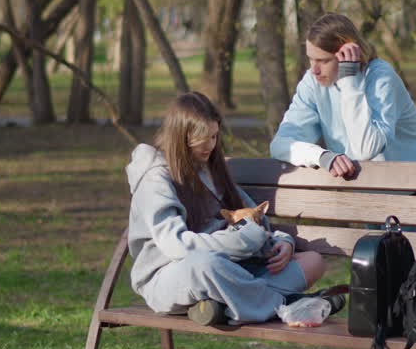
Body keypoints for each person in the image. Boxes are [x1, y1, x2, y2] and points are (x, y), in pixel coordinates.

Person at [270, 12, 416, 349]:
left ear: (347, 54)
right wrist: (322, 156)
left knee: (389, 287)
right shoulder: (314, 83)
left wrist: (348, 80)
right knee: (388, 286)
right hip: (380, 205)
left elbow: (366, 147)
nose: (313, 69)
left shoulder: (379, 77)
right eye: (310, 60)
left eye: (322, 61)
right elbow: (281, 141)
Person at [127, 92, 338, 326]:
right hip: (173, 275)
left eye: (214, 137)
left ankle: (222, 305)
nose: (210, 146)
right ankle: (288, 305)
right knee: (206, 264)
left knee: (313, 260)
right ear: (181, 137)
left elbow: (253, 220)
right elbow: (175, 245)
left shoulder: (211, 170)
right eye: (202, 139)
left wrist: (283, 241)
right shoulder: (155, 179)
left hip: (235, 269)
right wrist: (242, 242)